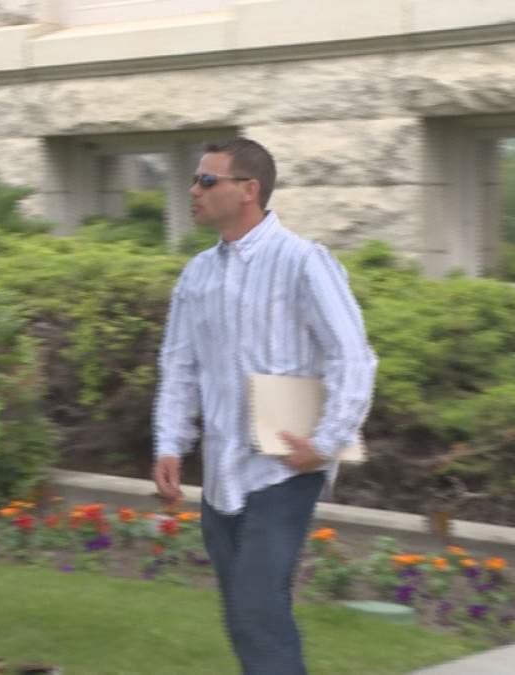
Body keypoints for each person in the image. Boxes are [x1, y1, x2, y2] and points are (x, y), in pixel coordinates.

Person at [152, 139, 377, 674]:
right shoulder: (196, 275)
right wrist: (169, 444)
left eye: (207, 180)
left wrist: (327, 442)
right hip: (222, 471)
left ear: (248, 190)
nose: (193, 190)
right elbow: (179, 367)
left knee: (257, 608)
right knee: (242, 612)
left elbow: (353, 356)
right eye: (195, 179)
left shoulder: (303, 262)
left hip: (284, 469)